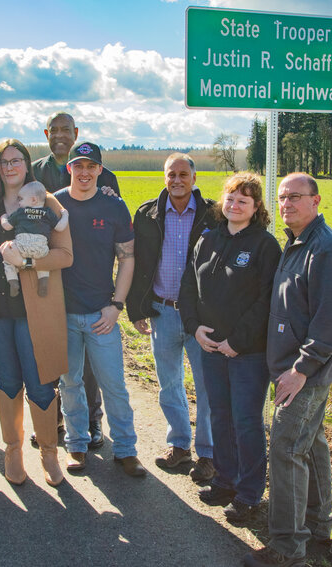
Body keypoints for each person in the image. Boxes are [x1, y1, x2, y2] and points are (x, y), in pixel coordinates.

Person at [243, 173, 332, 567]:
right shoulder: (296, 244)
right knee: (311, 443)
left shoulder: (326, 251)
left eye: (295, 197)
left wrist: (300, 370)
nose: (287, 204)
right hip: (293, 368)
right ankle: (319, 524)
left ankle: (287, 547)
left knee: (287, 449)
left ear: (316, 201)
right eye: (282, 198)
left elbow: (330, 326)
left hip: (305, 373)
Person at [178, 172, 281, 523]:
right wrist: (195, 329)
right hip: (209, 348)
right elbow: (188, 288)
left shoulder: (265, 246)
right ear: (223, 202)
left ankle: (250, 494)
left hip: (246, 353)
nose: (235, 205)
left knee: (247, 422)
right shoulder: (207, 240)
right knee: (219, 416)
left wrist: (236, 341)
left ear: (256, 207)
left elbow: (267, 301)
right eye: (231, 198)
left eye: (244, 200)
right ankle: (225, 481)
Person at [0, 139, 72, 487]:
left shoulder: (48, 202)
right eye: (3, 162)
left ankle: (49, 453)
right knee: (8, 382)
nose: (10, 166)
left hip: (34, 310)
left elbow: (65, 256)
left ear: (27, 165)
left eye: (16, 160)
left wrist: (26, 262)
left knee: (41, 383)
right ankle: (13, 449)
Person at [55, 141, 145, 477]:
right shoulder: (56, 203)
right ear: (70, 169)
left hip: (100, 314)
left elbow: (127, 258)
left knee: (114, 385)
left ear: (100, 170)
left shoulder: (114, 206)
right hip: (63, 313)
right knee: (70, 383)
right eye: (78, 166)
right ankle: (76, 446)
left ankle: (125, 449)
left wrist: (115, 306)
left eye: (91, 167)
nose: (84, 172)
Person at [127, 153, 218, 483]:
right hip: (161, 312)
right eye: (171, 174)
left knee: (207, 387)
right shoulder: (147, 213)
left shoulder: (213, 214)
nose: (177, 180)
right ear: (164, 178)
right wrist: (136, 309)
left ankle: (208, 454)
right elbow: (137, 264)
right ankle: (180, 446)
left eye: (183, 174)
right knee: (169, 384)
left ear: (194, 178)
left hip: (201, 317)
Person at [32, 111, 119, 448]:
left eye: (66, 130)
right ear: (46, 133)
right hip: (50, 274)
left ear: (76, 132)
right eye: (54, 130)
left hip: (89, 278)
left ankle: (93, 422)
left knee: (86, 365)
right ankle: (54, 421)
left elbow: (115, 215)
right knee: (51, 352)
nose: (60, 135)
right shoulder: (36, 170)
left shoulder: (103, 172)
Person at [0, 181, 69, 297]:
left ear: (33, 200)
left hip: (21, 245)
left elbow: (7, 227)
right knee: (42, 262)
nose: (19, 202)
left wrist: (4, 218)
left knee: (7, 257)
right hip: (41, 247)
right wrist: (65, 215)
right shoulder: (47, 212)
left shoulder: (21, 212)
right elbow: (60, 227)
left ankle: (13, 281)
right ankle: (43, 281)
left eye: (20, 199)